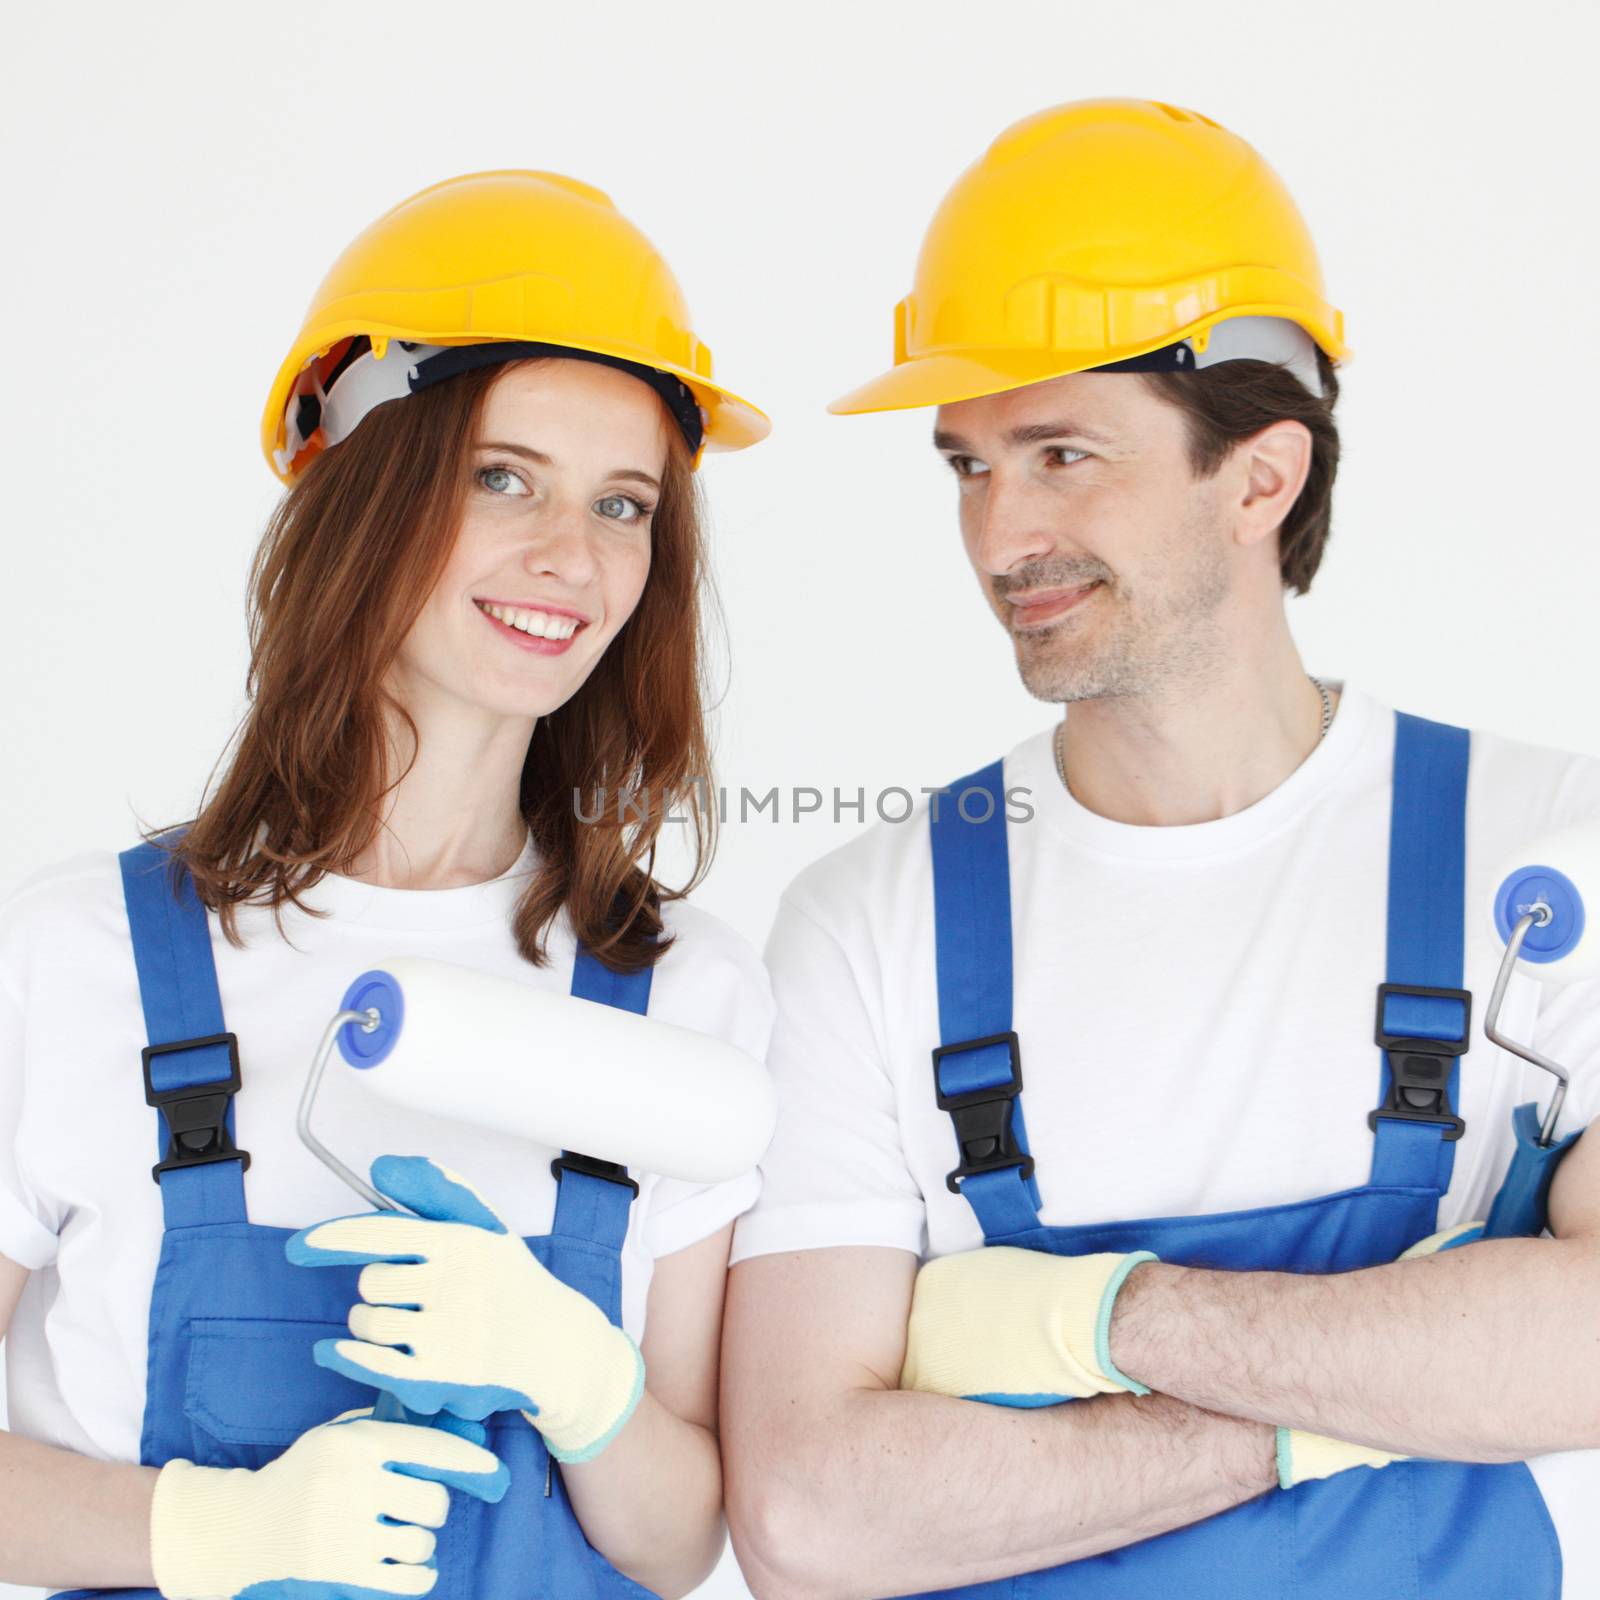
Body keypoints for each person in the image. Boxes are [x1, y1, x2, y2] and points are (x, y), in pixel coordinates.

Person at [720, 98, 1600, 1598]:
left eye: (1063, 454)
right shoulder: (874, 923)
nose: (1001, 540)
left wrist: (1100, 1324)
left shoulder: (1548, 859)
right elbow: (811, 1514)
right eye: (968, 466)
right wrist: (1392, 1378)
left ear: (1263, 478)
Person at [0, 169, 773, 1600]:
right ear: (364, 488)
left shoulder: (684, 996)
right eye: (501, 477)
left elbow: (679, 1547)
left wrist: (578, 1380)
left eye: (624, 504)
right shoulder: (75, 957)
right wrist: (207, 1534)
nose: (572, 555)